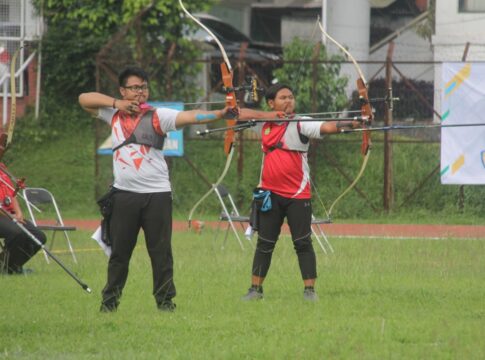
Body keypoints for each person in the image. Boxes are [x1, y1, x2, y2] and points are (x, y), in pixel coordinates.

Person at [79, 66, 233, 313]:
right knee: (120, 253)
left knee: (161, 252)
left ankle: (165, 302)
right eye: (134, 87)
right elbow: (84, 99)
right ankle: (109, 304)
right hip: (124, 195)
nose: (140, 92)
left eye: (143, 87)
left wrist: (220, 113)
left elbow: (191, 116)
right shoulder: (113, 114)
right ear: (123, 90)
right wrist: (117, 103)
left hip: (157, 195)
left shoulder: (158, 115)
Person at [237, 83, 362, 301]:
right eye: (283, 97)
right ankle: (255, 290)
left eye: (291, 97)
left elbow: (327, 127)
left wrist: (353, 123)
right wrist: (268, 115)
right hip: (269, 194)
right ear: (271, 102)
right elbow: (238, 114)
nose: (288, 101)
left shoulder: (300, 123)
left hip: (297, 195)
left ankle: (309, 291)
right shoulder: (265, 123)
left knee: (302, 242)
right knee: (265, 243)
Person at [0, 163, 47, 274]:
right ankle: (5, 267)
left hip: (10, 215)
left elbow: (11, 193)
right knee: (17, 232)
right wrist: (10, 217)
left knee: (39, 236)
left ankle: (11, 267)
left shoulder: (2, 167)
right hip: (3, 216)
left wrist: (19, 213)